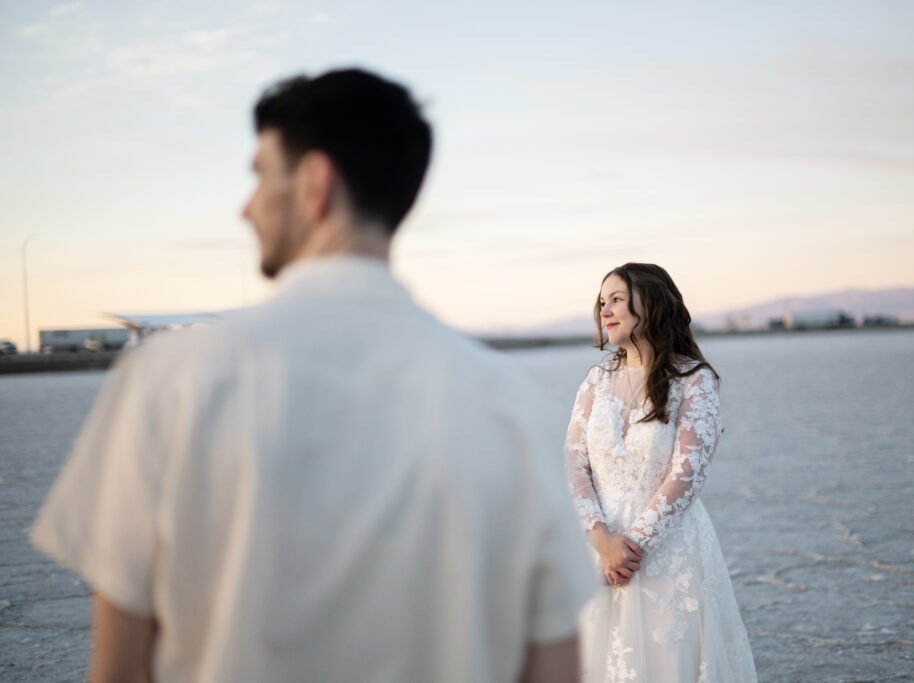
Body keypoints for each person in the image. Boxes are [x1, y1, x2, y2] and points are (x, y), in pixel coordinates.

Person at [31, 68, 594, 683]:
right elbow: (552, 669)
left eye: (260, 175)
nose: (246, 208)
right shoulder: (513, 406)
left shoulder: (170, 380)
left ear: (315, 184)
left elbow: (118, 669)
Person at [565, 263, 757, 682]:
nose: (605, 310)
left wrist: (630, 550)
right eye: (602, 302)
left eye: (617, 299)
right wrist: (601, 541)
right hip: (598, 551)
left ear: (650, 303)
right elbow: (573, 464)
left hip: (668, 555)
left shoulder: (694, 380)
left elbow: (686, 475)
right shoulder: (596, 381)